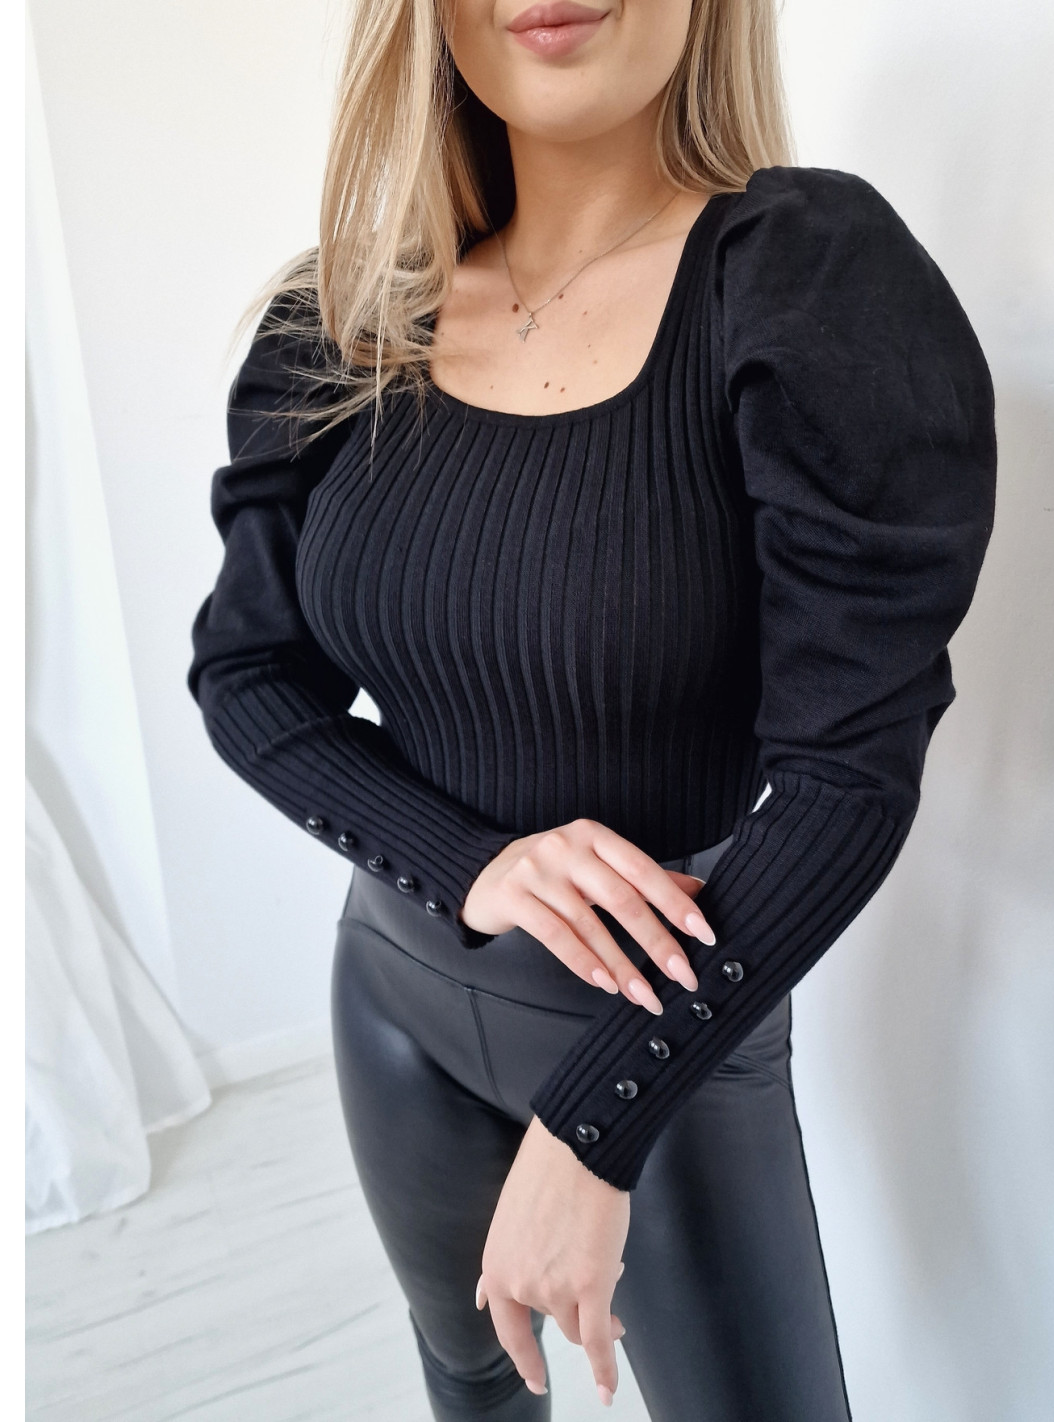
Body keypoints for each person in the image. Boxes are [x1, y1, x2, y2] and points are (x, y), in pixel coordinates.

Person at [186, 1, 997, 1417]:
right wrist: (472, 863)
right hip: (394, 993)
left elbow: (846, 775)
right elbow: (250, 674)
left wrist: (594, 1124)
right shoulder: (342, 320)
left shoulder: (804, 278)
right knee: (471, 1384)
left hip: (671, 1038)